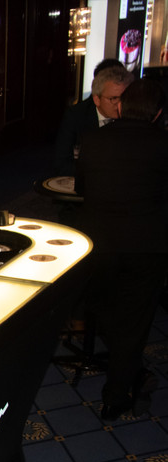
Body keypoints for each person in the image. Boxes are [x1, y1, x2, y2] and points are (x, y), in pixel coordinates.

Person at [76, 78, 168, 420]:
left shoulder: (93, 140)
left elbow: (82, 189)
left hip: (100, 245)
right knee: (135, 320)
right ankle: (118, 393)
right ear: (157, 113)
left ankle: (128, 374)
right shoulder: (163, 144)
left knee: (105, 309)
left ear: (121, 106)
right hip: (147, 247)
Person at [53, 60, 131, 177]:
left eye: (124, 98)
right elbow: (62, 164)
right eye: (114, 99)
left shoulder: (134, 113)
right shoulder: (76, 115)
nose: (120, 104)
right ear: (97, 99)